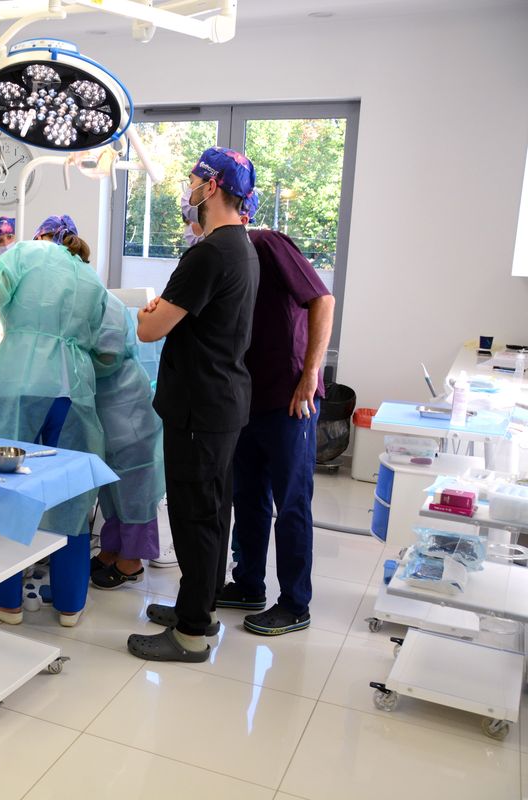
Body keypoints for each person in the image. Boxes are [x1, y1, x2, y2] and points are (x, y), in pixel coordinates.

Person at [127, 147, 259, 663]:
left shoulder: (207, 254)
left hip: (198, 409)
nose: (188, 191)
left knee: (194, 518)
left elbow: (150, 328)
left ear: (212, 186)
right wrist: (162, 310)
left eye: (193, 181)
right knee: (213, 513)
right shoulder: (242, 247)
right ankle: (197, 607)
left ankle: (190, 634)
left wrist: (151, 314)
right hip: (222, 402)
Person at [0, 234, 110, 627]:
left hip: (22, 382)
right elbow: (101, 335)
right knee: (70, 496)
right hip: (73, 390)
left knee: (8, 489)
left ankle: (6, 602)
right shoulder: (88, 274)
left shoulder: (26, 254)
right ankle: (70, 604)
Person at [217, 224, 334, 635]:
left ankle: (295, 604)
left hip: (291, 397)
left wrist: (310, 374)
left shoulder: (266, 243)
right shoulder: (219, 254)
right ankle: (249, 584)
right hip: (248, 396)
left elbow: (323, 300)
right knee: (248, 497)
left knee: (291, 502)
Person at [89, 292, 166, 589]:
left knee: (134, 492)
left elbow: (108, 355)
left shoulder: (105, 304)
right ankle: (111, 550)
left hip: (128, 410)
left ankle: (131, 561)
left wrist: (76, 358)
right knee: (110, 489)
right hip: (107, 412)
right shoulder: (83, 301)